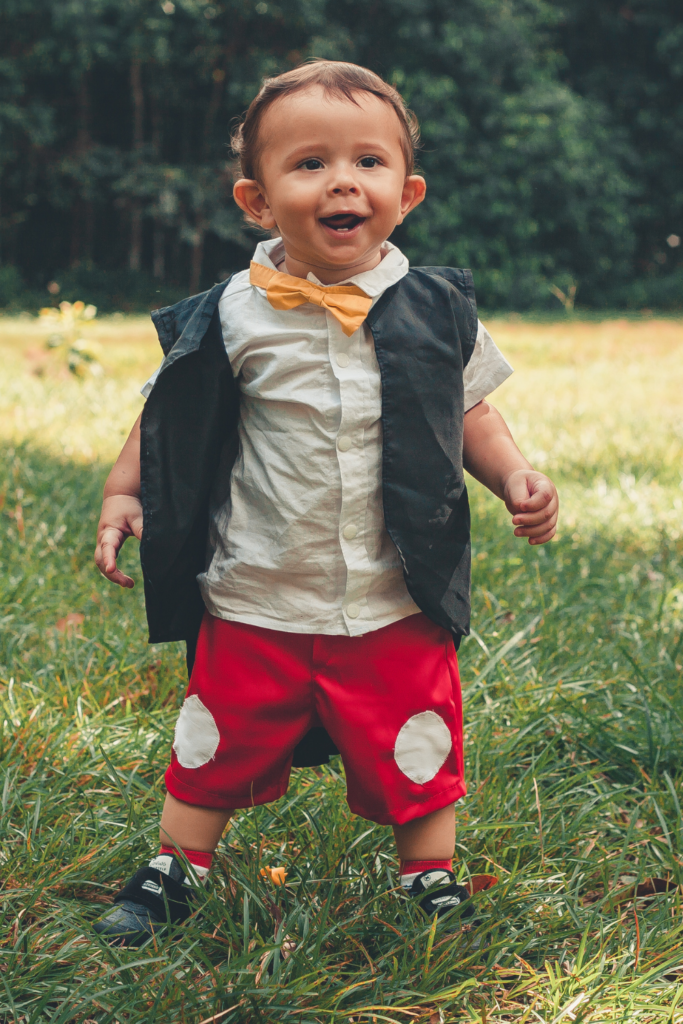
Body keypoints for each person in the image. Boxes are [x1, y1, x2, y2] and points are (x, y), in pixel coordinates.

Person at [93, 60, 558, 945]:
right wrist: (125, 492)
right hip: (258, 584)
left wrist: (515, 477)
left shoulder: (437, 309)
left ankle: (429, 875)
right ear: (257, 201)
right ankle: (175, 864)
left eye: (367, 163)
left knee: (415, 738)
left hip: (393, 593)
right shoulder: (232, 312)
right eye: (308, 164)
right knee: (215, 734)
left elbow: (473, 412)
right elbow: (168, 414)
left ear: (406, 192)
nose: (343, 180)